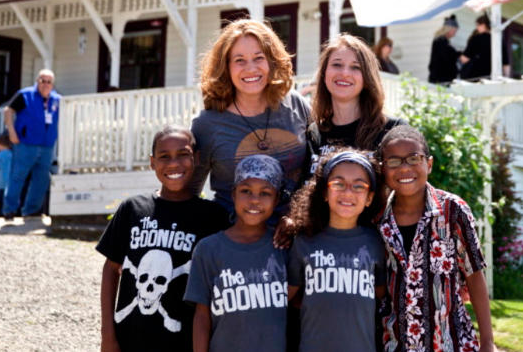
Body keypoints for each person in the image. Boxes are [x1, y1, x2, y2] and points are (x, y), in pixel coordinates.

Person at [97, 126, 228, 352]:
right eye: (164, 156)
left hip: (185, 345)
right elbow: (111, 269)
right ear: (152, 162)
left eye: (183, 154)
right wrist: (108, 336)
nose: (174, 164)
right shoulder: (132, 209)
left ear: (196, 158)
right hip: (130, 341)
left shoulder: (213, 217)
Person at [376, 125, 494, 352]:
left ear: (428, 164)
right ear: (383, 169)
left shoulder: (453, 211)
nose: (404, 168)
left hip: (453, 345)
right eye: (394, 161)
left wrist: (488, 342)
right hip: (397, 346)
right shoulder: (378, 219)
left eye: (413, 158)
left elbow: (474, 274)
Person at [189, 19, 310, 220]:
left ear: (272, 61)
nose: (251, 68)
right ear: (225, 66)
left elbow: (316, 168)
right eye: (239, 60)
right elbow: (189, 192)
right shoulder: (207, 125)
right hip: (235, 242)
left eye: (258, 58)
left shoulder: (295, 104)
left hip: (294, 238)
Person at [286, 149, 387, 352]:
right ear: (324, 192)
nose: (348, 192)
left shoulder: (376, 242)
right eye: (338, 184)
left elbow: (382, 297)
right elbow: (287, 298)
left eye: (359, 186)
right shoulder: (304, 241)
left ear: (369, 198)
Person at [186, 155, 288, 352]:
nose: (254, 200)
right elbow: (201, 316)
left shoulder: (284, 246)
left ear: (277, 199)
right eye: (246, 191)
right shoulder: (208, 249)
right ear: (233, 194)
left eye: (265, 193)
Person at [304, 34, 406, 178]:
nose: (345, 73)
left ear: (367, 78)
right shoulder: (314, 133)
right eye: (337, 64)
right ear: (324, 74)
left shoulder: (392, 130)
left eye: (355, 67)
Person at [2, 69, 61, 220]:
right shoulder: (25, 94)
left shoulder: (57, 99)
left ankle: (31, 210)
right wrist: (12, 132)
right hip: (25, 144)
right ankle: (9, 209)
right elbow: (8, 111)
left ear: (52, 84)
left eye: (49, 82)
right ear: (37, 81)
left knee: (41, 179)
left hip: (47, 145)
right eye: (42, 80)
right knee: (17, 176)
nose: (45, 84)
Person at [459, 14, 510, 80]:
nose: (477, 28)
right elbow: (506, 64)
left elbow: (464, 59)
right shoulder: (499, 41)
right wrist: (506, 78)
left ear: (483, 25)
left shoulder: (476, 39)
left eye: (477, 25)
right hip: (492, 78)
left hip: (475, 77)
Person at [427, 15, 461, 84]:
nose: (455, 34)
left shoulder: (443, 41)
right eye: (454, 31)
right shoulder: (440, 41)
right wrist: (458, 54)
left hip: (442, 78)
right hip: (440, 79)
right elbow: (447, 56)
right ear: (449, 29)